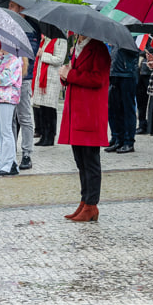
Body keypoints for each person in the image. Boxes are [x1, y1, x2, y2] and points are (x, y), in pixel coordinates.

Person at [59, 35, 111, 222]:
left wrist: (70, 75)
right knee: (80, 161)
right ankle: (84, 201)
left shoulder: (98, 48)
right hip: (77, 111)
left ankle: (91, 204)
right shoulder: (78, 47)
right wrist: (65, 75)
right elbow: (74, 74)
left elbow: (98, 79)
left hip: (90, 112)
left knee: (90, 161)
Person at [7, 1, 40, 171]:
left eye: (12, 6)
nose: (9, 9)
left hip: (23, 78)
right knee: (9, 119)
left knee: (24, 117)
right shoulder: (8, 26)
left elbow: (30, 52)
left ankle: (27, 154)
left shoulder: (31, 28)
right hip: (8, 79)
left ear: (21, 9)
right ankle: (10, 155)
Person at [0, 49, 22, 176]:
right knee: (0, 132)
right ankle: (4, 162)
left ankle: (9, 164)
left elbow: (5, 79)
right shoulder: (1, 59)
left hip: (8, 97)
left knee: (6, 130)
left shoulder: (14, 60)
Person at [32, 34, 67, 147]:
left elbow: (59, 59)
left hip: (51, 78)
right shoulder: (46, 39)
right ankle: (43, 134)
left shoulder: (61, 40)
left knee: (49, 109)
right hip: (41, 78)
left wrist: (43, 54)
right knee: (41, 108)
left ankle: (50, 136)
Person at [105, 46, 139, 154]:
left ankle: (128, 141)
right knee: (114, 108)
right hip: (114, 74)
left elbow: (136, 52)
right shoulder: (116, 37)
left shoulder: (130, 38)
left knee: (127, 109)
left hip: (127, 74)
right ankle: (117, 138)